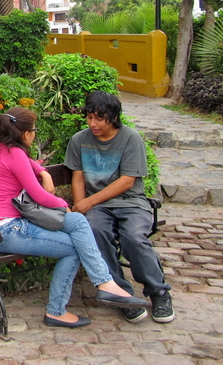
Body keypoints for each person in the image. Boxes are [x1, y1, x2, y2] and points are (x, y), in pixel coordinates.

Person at [0, 107, 148, 328]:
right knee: (74, 246)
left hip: (8, 226)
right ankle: (59, 310)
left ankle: (105, 284)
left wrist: (43, 171)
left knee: (78, 224)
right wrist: (64, 206)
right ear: (25, 134)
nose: (35, 133)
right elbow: (39, 195)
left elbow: (23, 162)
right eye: (34, 130)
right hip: (5, 231)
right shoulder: (14, 153)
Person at [66, 91, 174, 324]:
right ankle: (121, 293)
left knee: (134, 237)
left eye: (100, 118)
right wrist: (80, 206)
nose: (93, 124)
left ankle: (159, 291)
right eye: (89, 117)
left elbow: (127, 180)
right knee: (94, 232)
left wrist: (89, 201)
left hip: (131, 202)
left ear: (113, 117)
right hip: (99, 207)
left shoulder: (130, 138)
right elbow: (78, 177)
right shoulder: (79, 140)